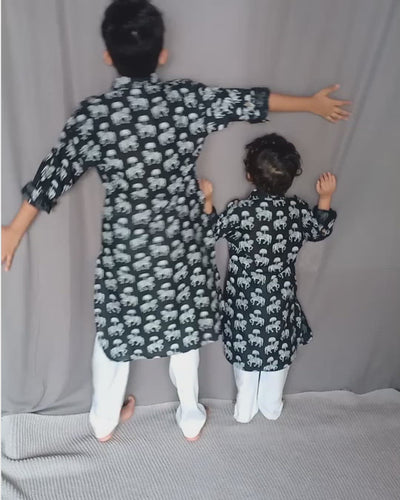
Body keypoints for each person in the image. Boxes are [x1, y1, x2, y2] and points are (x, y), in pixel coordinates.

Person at [2, 0, 349, 441]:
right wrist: (311, 105)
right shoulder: (185, 100)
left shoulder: (96, 116)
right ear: (162, 54)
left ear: (108, 56)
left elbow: (55, 173)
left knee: (114, 335)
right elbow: (249, 102)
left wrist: (15, 229)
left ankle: (104, 422)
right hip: (182, 247)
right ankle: (190, 417)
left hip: (127, 254)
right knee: (184, 335)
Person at [200, 133, 337, 423]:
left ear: (249, 176)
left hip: (243, 304)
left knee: (245, 360)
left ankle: (244, 409)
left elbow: (208, 233)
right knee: (277, 357)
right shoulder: (296, 212)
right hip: (279, 303)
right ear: (290, 178)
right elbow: (319, 230)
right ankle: (271, 406)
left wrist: (208, 201)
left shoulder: (240, 212)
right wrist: (325, 197)